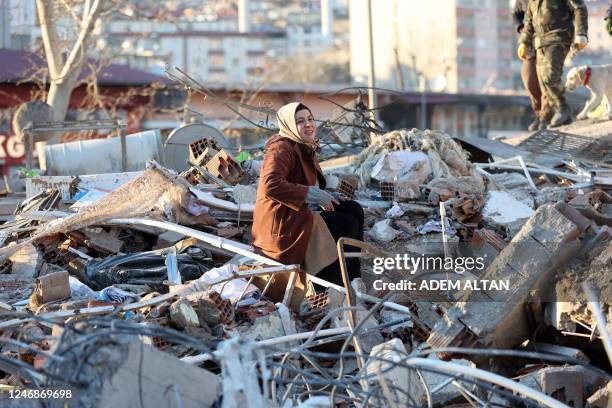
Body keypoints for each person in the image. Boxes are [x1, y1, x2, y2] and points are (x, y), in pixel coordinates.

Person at [251, 102, 364, 287]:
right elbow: (270, 185)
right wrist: (310, 194)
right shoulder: (281, 149)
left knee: (354, 209)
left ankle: (353, 278)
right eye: (300, 121)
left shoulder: (304, 145)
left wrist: (326, 194)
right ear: (288, 125)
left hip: (299, 212)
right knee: (346, 224)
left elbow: (304, 182)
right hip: (284, 223)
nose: (308, 124)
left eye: (310, 119)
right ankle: (329, 285)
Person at [518, 0, 589, 129]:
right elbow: (529, 21)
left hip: (559, 37)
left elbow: (579, 7)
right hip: (540, 42)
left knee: (550, 76)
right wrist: (524, 41)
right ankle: (548, 116)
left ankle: (563, 108)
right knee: (543, 83)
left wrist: (581, 33)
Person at [513, 0, 545, 131]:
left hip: (550, 41)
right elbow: (516, 14)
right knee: (530, 79)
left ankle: (548, 116)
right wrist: (520, 27)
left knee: (548, 79)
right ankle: (539, 114)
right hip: (529, 41)